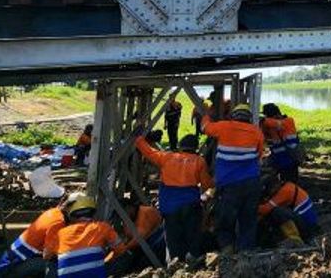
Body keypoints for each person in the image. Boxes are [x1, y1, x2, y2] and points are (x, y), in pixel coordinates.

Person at [134, 131, 212, 262]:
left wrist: (138, 139)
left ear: (180, 146)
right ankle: (193, 259)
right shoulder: (199, 161)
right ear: (195, 148)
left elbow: (149, 152)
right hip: (190, 204)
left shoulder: (167, 157)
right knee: (192, 233)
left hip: (169, 206)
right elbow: (206, 185)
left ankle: (175, 263)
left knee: (172, 237)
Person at [201, 103, 265, 250]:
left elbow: (204, 128)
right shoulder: (257, 132)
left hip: (228, 185)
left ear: (233, 116)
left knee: (225, 220)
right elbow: (259, 155)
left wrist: (206, 115)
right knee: (248, 220)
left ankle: (227, 250)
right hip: (251, 183)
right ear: (249, 118)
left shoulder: (223, 126)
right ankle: (246, 253)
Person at [0, 194, 77, 276]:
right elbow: (47, 255)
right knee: (57, 265)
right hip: (11, 267)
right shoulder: (58, 223)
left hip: (9, 260)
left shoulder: (54, 212)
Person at [43, 195, 120, 278]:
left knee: (51, 263)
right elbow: (120, 249)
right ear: (92, 213)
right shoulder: (103, 227)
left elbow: (46, 256)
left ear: (72, 215)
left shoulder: (60, 233)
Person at [106, 197, 166, 274]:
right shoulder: (127, 219)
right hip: (143, 243)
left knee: (139, 260)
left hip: (156, 241)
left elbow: (139, 238)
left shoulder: (145, 212)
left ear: (129, 207)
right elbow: (128, 237)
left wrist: (123, 248)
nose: (121, 217)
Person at [257, 175, 318, 244]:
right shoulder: (288, 185)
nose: (268, 194)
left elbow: (266, 209)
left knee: (278, 212)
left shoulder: (285, 191)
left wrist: (250, 207)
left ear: (275, 186)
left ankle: (295, 241)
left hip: (308, 227)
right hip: (307, 223)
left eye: (268, 191)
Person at [260, 103, 302, 182]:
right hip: (286, 158)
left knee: (288, 183)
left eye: (266, 115)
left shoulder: (286, 122)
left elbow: (273, 123)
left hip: (287, 160)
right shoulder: (287, 121)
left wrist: (261, 121)